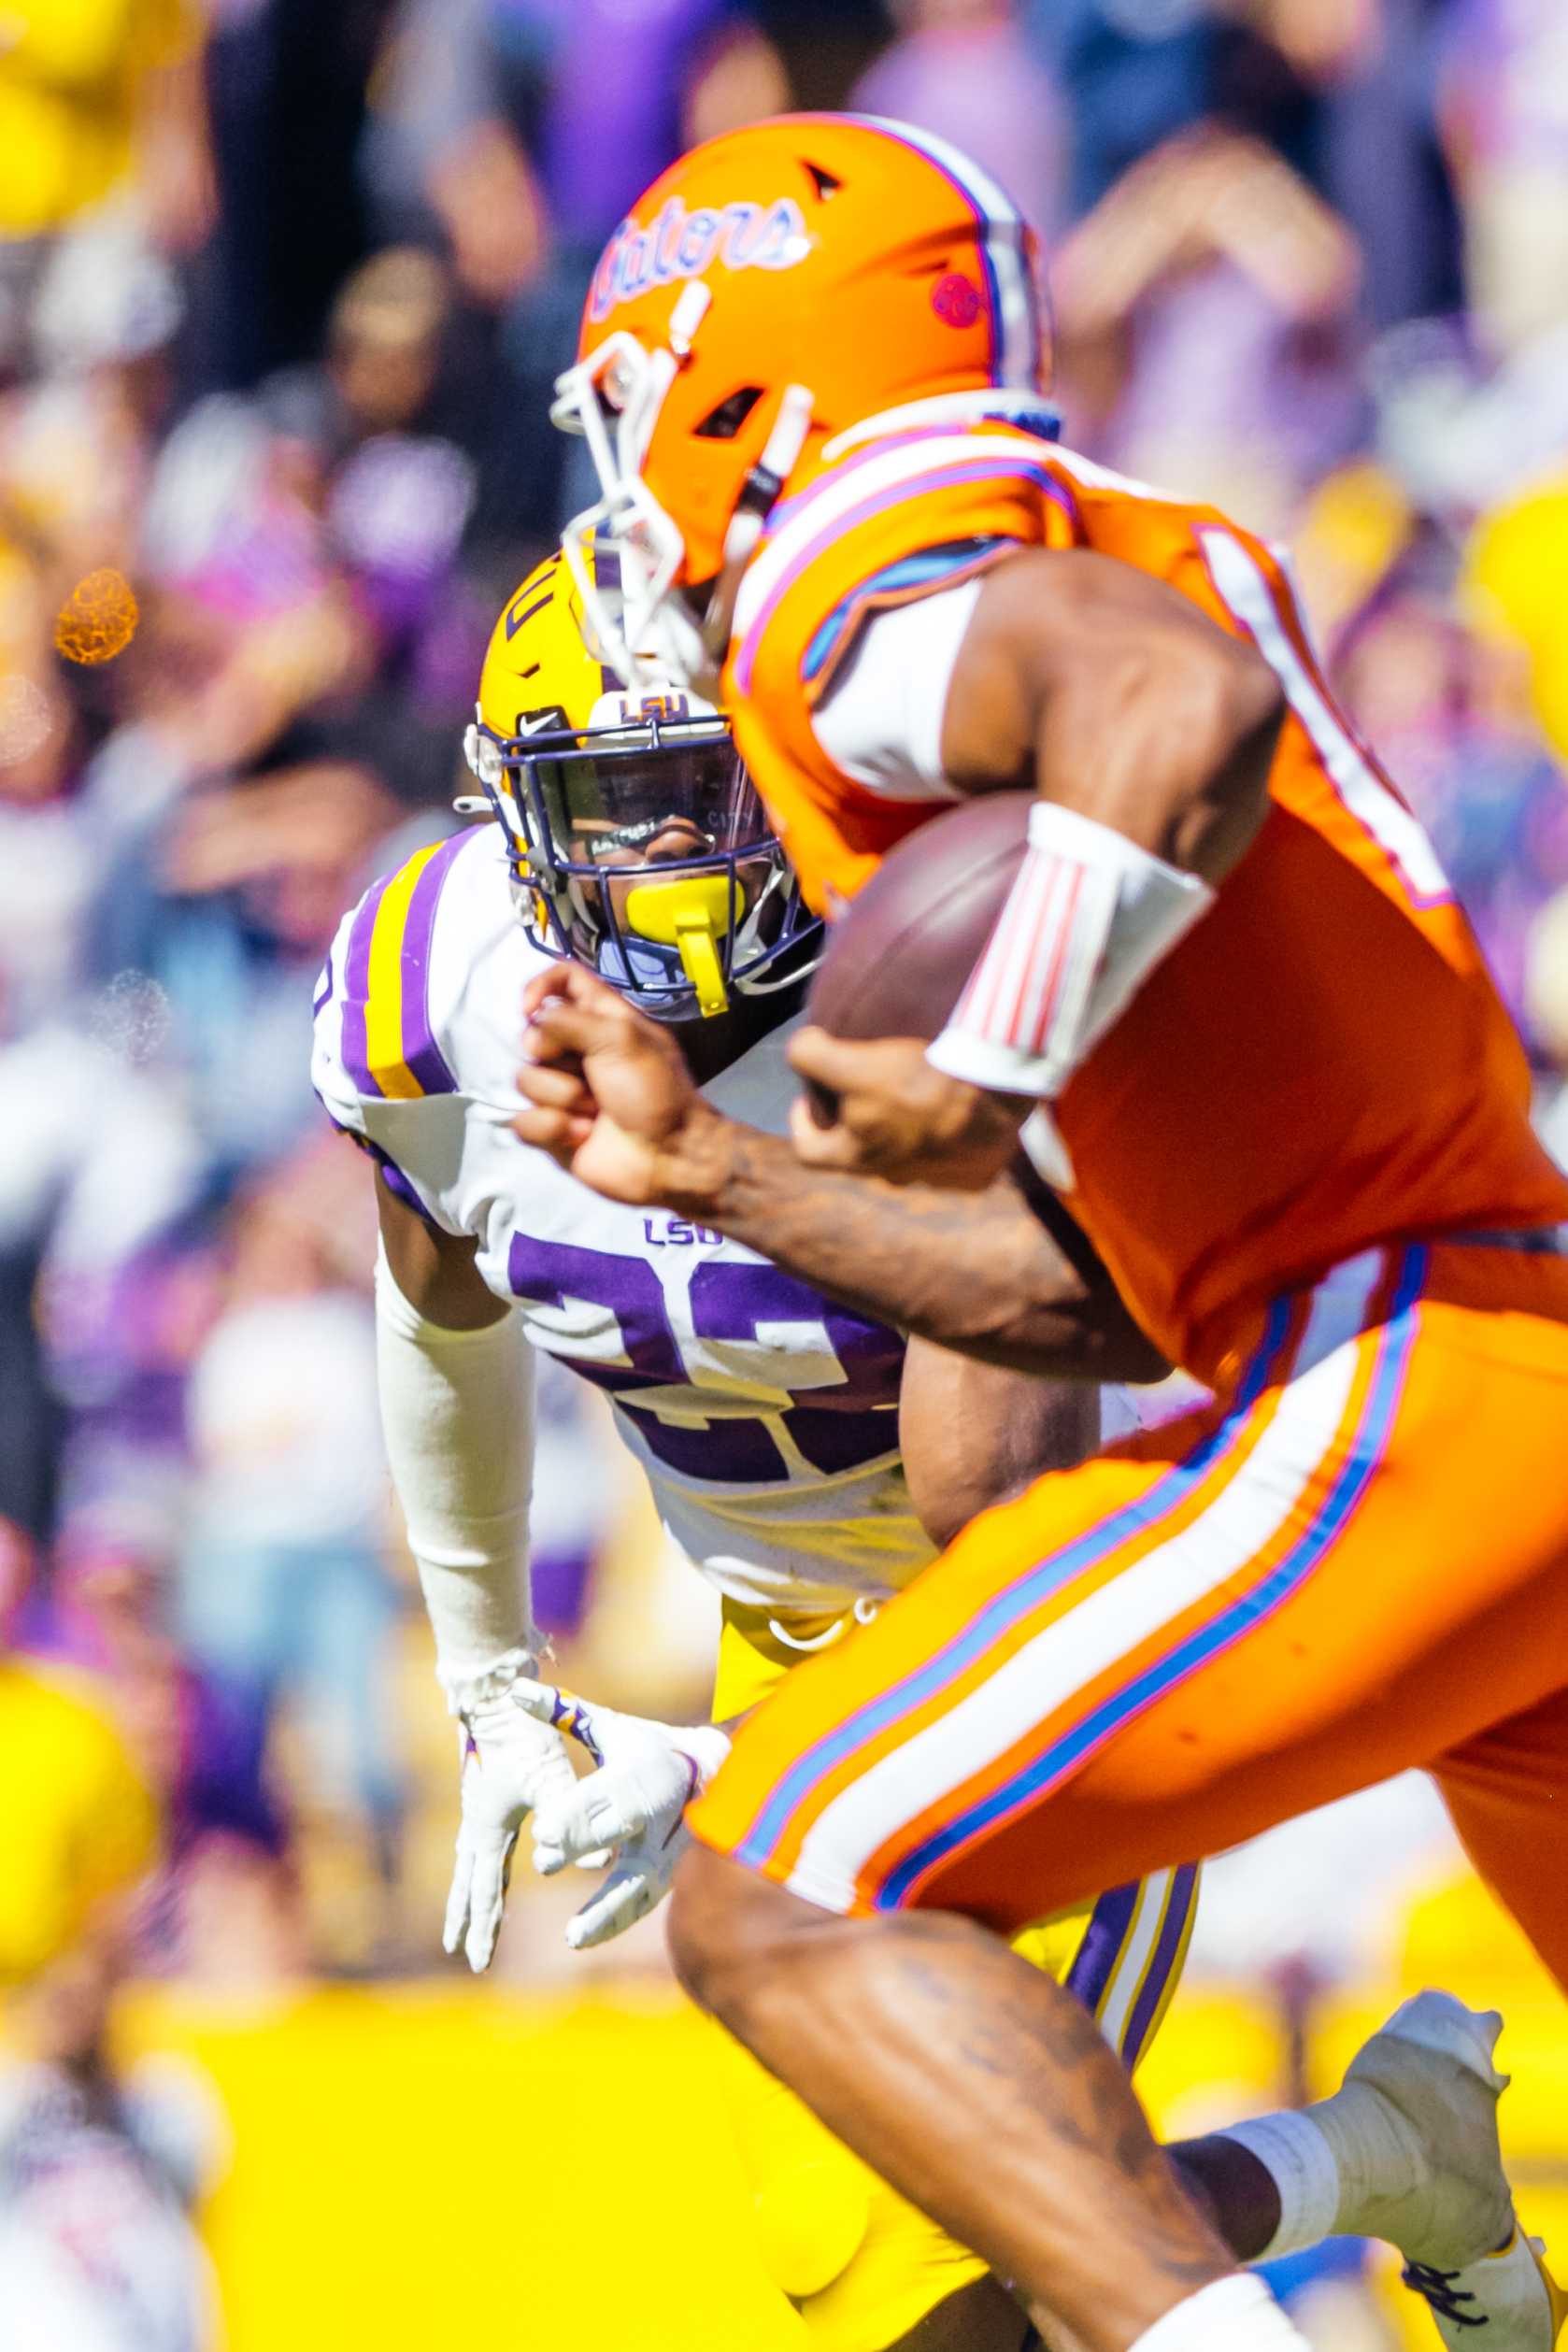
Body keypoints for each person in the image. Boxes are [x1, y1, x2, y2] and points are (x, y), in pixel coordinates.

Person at [514, 113, 1568, 2352]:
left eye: (634, 415)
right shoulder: (1105, 562)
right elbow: (1088, 1293)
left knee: (795, 1880)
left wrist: (988, 1044)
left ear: (734, 394)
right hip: (1486, 1377)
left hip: (1403, 1371)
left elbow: (1162, 702)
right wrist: (717, 1177)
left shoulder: (848, 583)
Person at [311, 549, 1194, 2351]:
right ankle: (1383, 2154)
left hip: (1068, 1651)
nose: (682, 854)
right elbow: (443, 1306)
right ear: (515, 813)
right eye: (621, 808)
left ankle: (1370, 2162)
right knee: (853, 2272)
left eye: (707, 786)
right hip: (778, 1654)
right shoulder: (435, 976)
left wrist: (714, 1764)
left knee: (967, 2282)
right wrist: (489, 1680)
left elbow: (996, 1544)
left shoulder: (932, 976)